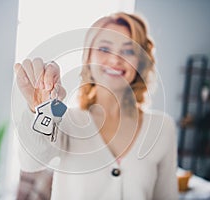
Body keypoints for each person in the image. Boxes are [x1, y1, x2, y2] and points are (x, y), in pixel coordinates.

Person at [14, 12, 178, 200]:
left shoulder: (163, 127)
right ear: (88, 58)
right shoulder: (67, 121)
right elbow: (31, 162)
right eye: (105, 49)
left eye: (128, 50)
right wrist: (40, 107)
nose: (116, 59)